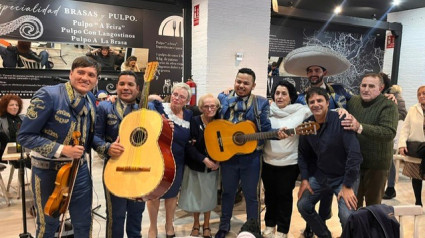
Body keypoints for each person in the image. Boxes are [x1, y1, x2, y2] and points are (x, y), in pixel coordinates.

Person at [17, 56, 102, 237]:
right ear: (71, 74)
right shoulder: (48, 94)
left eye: (91, 75)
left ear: (96, 80)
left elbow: (88, 137)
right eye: (80, 72)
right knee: (48, 223)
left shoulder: (90, 99)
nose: (85, 78)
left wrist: (107, 148)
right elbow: (25, 136)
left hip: (79, 170)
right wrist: (61, 149)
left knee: (84, 221)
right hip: (47, 171)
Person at [283, 45, 352, 237]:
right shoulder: (298, 99)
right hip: (312, 152)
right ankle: (311, 227)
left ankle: (320, 226)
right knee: (313, 194)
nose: (313, 73)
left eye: (317, 70)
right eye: (310, 71)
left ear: (324, 72)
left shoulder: (339, 92)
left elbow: (357, 105)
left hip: (335, 152)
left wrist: (389, 95)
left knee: (328, 196)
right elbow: (283, 111)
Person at [214, 68, 288, 238]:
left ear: (253, 85)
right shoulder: (223, 98)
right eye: (238, 81)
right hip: (228, 155)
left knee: (251, 195)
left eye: (246, 83)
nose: (241, 85)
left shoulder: (260, 103)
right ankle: (224, 226)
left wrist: (278, 133)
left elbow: (266, 130)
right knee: (227, 193)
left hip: (251, 157)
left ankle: (252, 229)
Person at [297, 87, 362, 238]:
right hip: (321, 176)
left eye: (319, 100)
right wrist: (305, 179)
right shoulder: (307, 125)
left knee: (347, 215)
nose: (316, 104)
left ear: (327, 103)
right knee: (303, 205)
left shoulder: (341, 120)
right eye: (311, 102)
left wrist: (347, 186)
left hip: (344, 177)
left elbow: (354, 154)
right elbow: (302, 154)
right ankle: (325, 235)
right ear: (308, 105)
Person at [94, 71, 145, 238]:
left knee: (136, 214)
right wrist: (107, 148)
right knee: (116, 215)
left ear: (138, 89)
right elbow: (95, 137)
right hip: (114, 167)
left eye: (130, 85)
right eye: (122, 84)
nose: (125, 88)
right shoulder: (104, 107)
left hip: (140, 170)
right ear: (116, 87)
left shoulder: (146, 109)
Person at [261, 80, 311, 238]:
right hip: (267, 162)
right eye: (277, 93)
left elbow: (323, 108)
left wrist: (341, 111)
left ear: (291, 97)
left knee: (284, 197)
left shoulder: (301, 111)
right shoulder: (266, 109)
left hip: (289, 163)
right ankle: (269, 226)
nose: (280, 97)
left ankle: (282, 230)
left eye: (284, 94)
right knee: (269, 197)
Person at [341, 73, 398, 208]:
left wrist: (359, 127)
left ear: (381, 88)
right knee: (353, 205)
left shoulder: (389, 105)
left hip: (377, 165)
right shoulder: (353, 101)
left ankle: (372, 230)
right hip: (354, 164)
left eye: (371, 86)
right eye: (363, 85)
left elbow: (388, 132)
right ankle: (356, 229)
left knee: (373, 207)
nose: (366, 89)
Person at [147, 82, 193, 238]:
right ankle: (152, 228)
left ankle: (169, 225)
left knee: (172, 196)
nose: (177, 99)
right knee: (154, 195)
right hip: (156, 160)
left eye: (182, 97)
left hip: (177, 162)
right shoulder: (160, 108)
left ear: (187, 101)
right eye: (175, 94)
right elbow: (148, 101)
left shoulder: (189, 115)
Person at [178, 94, 220, 238]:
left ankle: (207, 225)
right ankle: (196, 224)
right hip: (196, 165)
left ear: (217, 107)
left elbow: (224, 145)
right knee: (196, 196)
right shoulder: (194, 121)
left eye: (213, 106)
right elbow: (189, 145)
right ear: (201, 108)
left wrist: (218, 161)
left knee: (209, 196)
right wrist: (203, 159)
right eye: (206, 106)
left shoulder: (219, 122)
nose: (209, 109)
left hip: (214, 166)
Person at [380, 72, 407, 200]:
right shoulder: (373, 93)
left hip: (387, 131)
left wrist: (389, 116)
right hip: (372, 132)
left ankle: (390, 188)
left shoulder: (394, 94)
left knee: (388, 160)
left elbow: (403, 113)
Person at [397, 85, 425, 206]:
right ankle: (418, 201)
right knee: (416, 176)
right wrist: (402, 144)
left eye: (424, 93)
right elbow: (405, 128)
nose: (421, 96)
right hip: (417, 149)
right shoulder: (413, 109)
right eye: (419, 94)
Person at [0, 94, 24, 162]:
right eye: (11, 105)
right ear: (5, 106)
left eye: (17, 105)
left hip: (23, 151)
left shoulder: (23, 118)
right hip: (5, 154)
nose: (15, 107)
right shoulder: (1, 120)